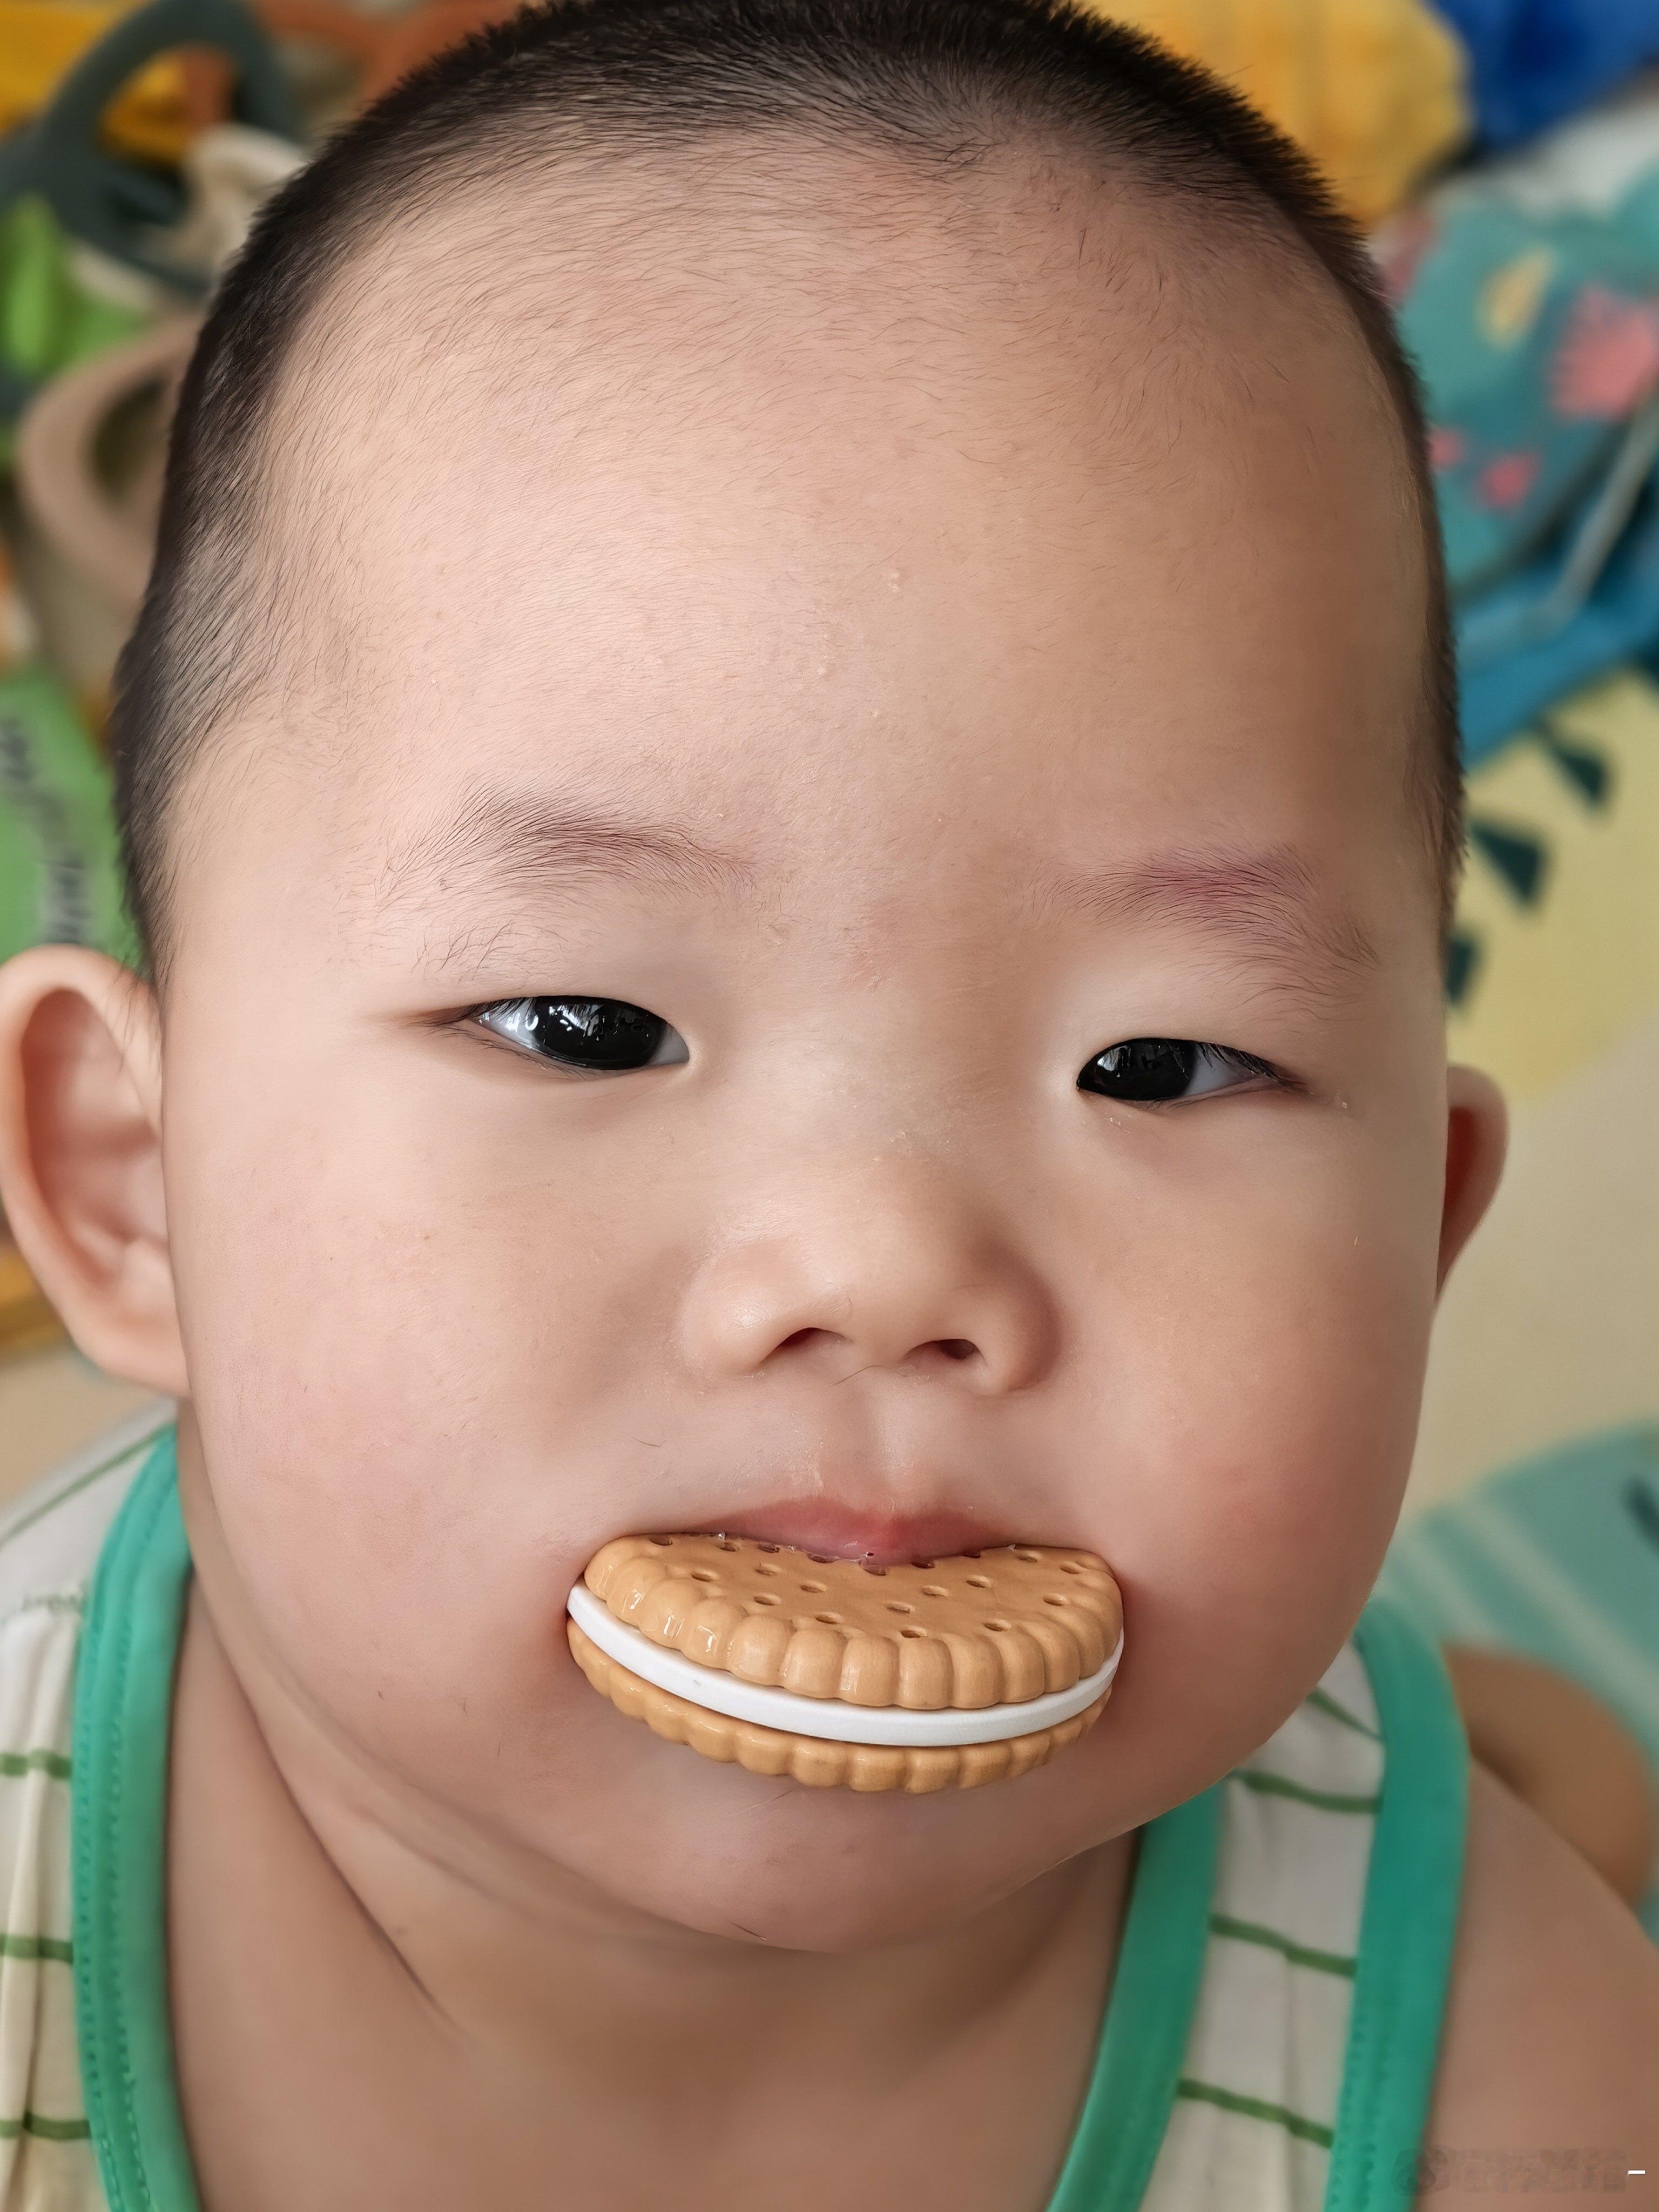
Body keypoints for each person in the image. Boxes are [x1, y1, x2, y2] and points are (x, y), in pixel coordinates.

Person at [0, 3, 1653, 2206]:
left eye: (1161, 1064)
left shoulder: (1498, 2067)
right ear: (132, 1191)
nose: (881, 1263)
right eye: (585, 1025)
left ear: (1413, 1243)